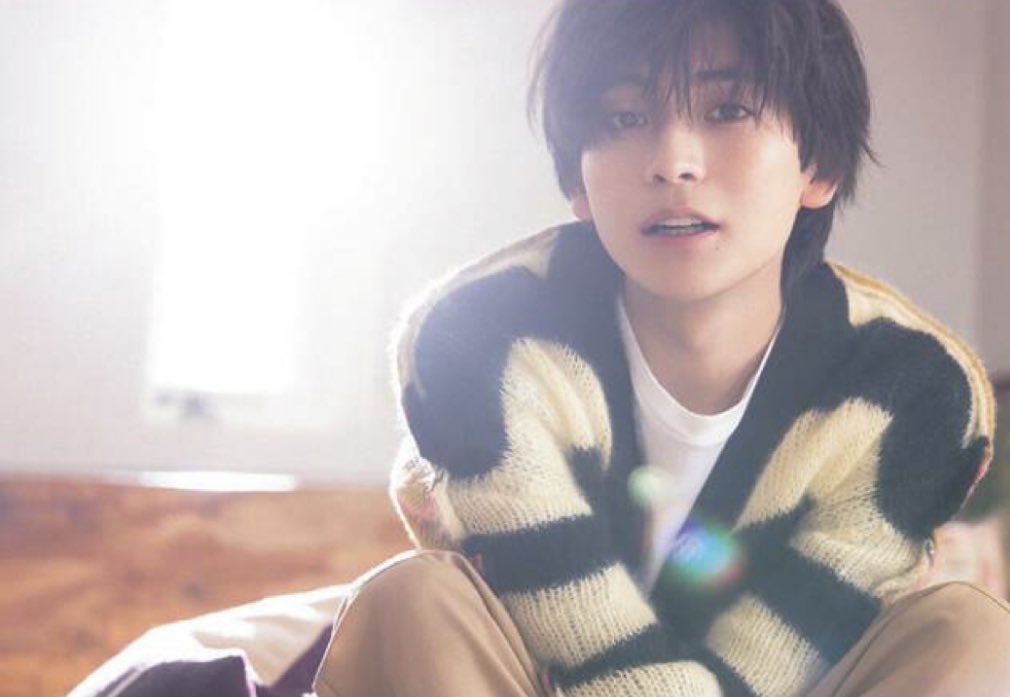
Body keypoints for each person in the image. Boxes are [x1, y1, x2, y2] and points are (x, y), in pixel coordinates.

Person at [314, 1, 1009, 695]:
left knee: (971, 632)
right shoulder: (480, 344)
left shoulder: (913, 392)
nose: (672, 163)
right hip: (546, 681)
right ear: (578, 179)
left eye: (728, 110)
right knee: (411, 599)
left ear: (817, 165)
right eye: (624, 118)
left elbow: (780, 655)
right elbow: (581, 638)